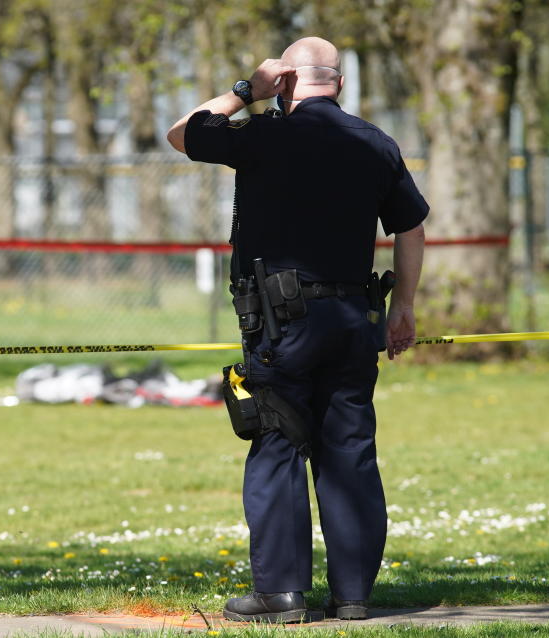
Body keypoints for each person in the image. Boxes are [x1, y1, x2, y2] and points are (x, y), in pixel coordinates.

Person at [166, 37, 427, 622]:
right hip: (356, 319)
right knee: (351, 451)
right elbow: (411, 227)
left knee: (278, 441)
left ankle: (281, 594)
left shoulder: (265, 133)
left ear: (285, 82)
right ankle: (354, 595)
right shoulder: (375, 143)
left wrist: (245, 91)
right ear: (339, 84)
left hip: (284, 325)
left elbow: (181, 133)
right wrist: (404, 306)